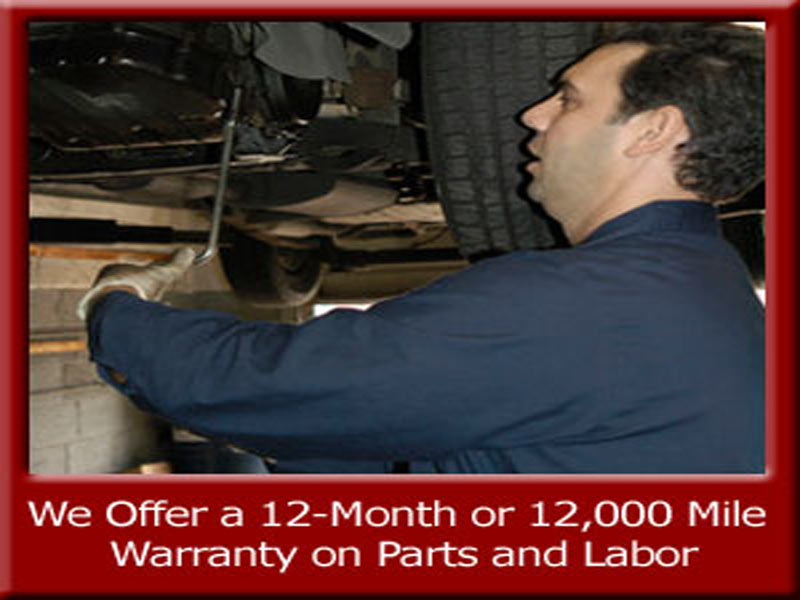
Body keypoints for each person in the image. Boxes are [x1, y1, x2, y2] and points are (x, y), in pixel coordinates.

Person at [78, 22, 765, 474]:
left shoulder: (589, 304)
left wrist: (117, 309)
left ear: (651, 131)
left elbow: (265, 385)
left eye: (569, 99)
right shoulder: (701, 287)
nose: (533, 114)